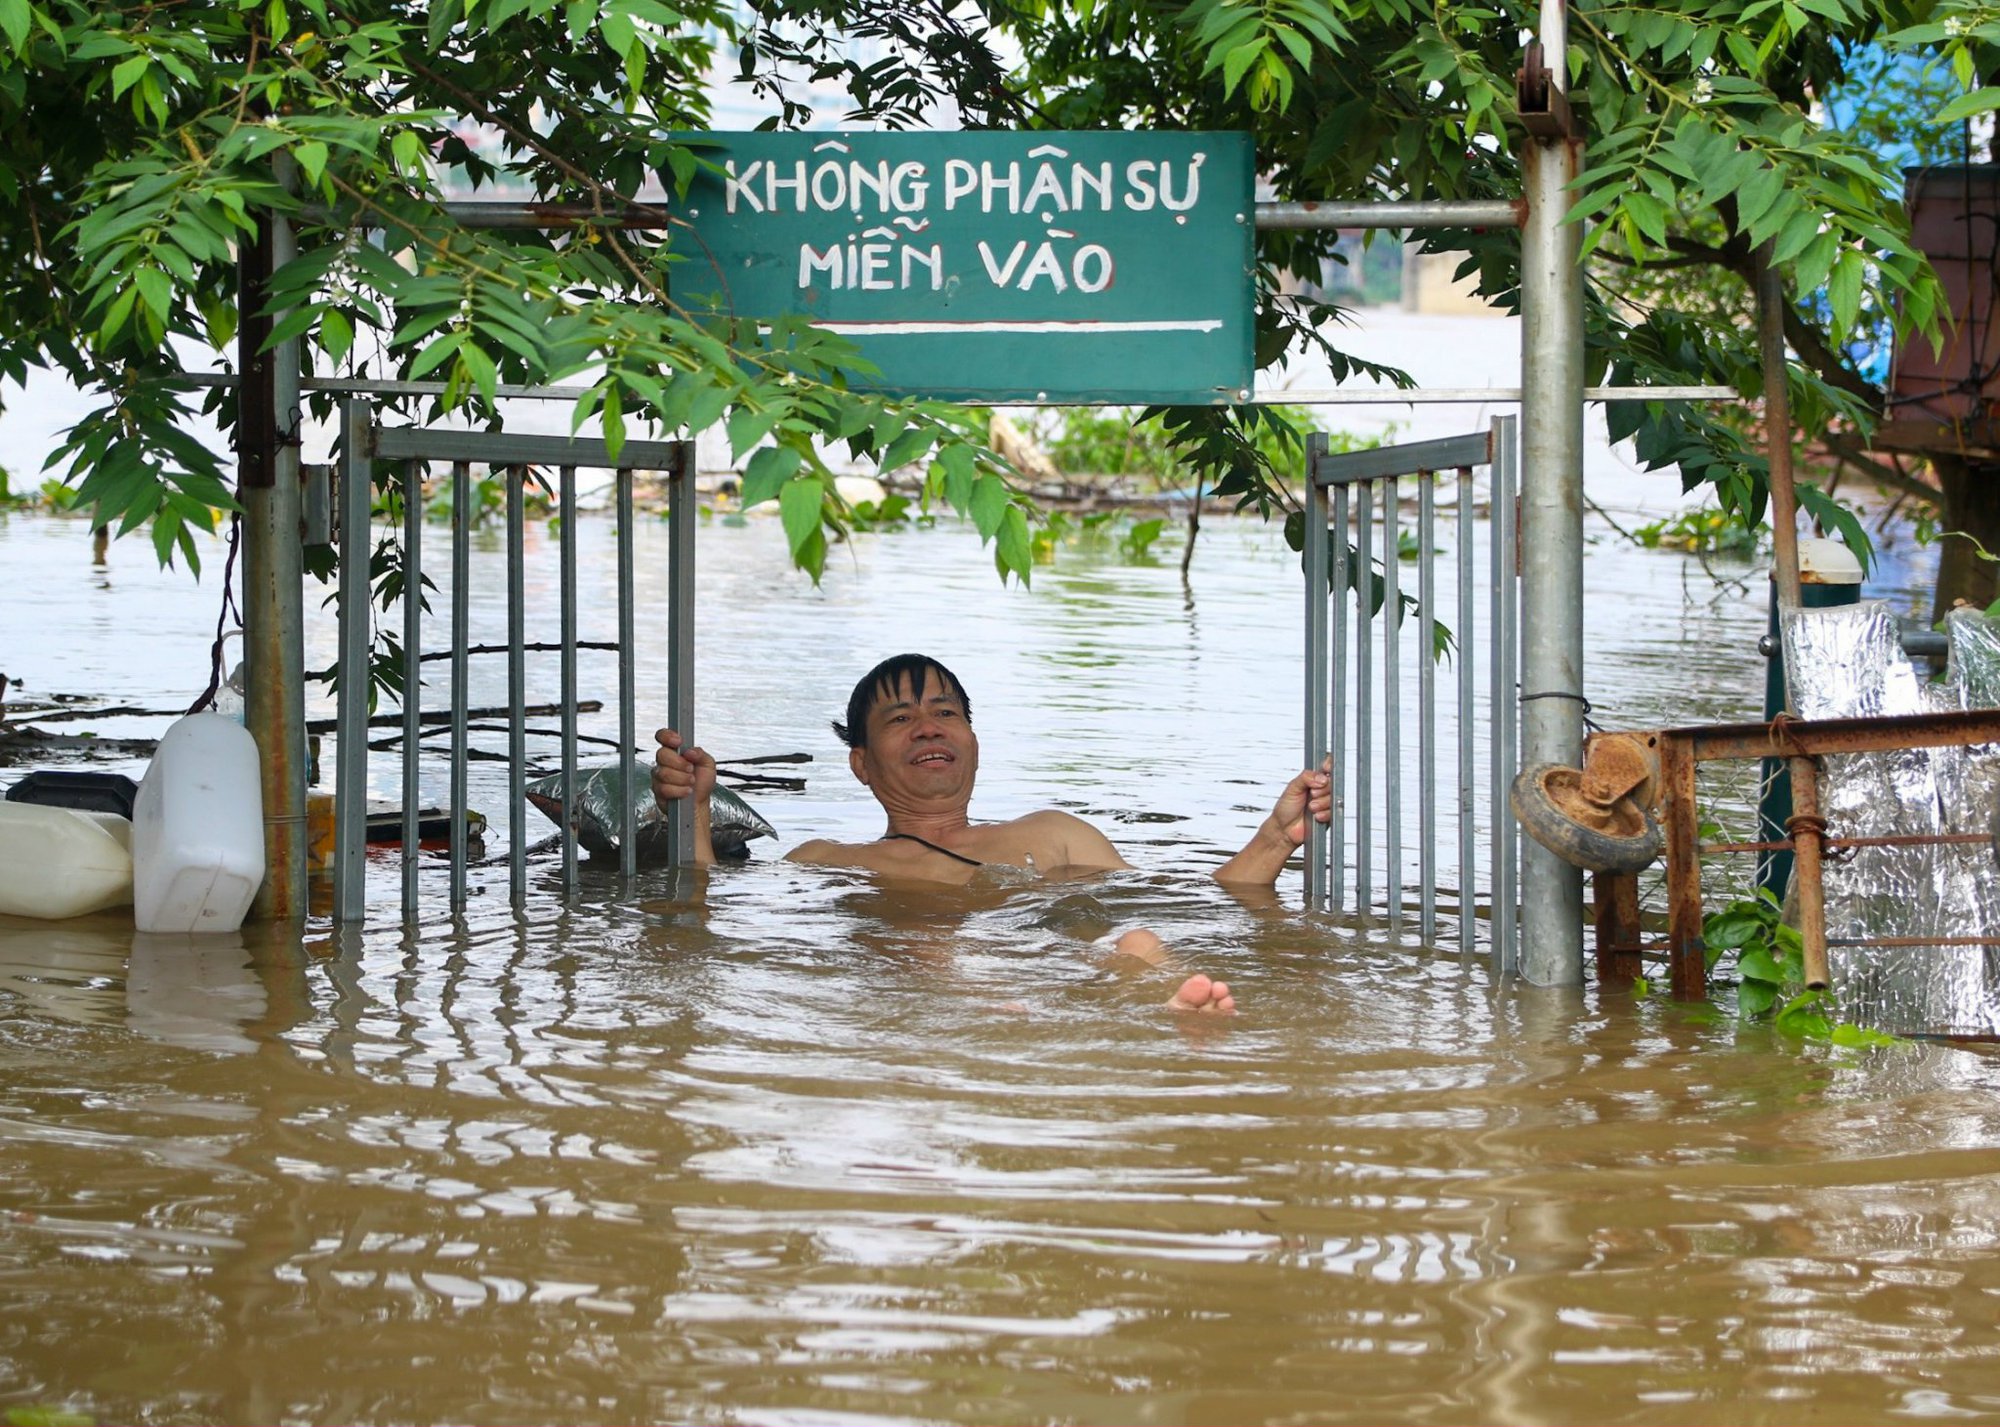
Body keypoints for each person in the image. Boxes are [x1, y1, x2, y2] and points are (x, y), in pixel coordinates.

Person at [651, 653, 1332, 1012]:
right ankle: (1004, 1001)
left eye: (945, 712)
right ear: (860, 762)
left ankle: (1185, 1008)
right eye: (900, 719)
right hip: (940, 982)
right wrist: (697, 811)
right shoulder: (828, 858)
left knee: (1139, 939)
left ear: (973, 739)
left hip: (1059, 965)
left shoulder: (1054, 833)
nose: (928, 727)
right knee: (923, 946)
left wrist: (1276, 836)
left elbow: (1194, 901)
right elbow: (707, 914)